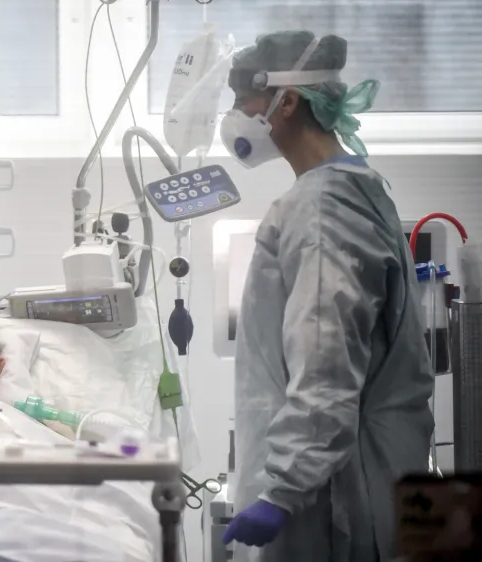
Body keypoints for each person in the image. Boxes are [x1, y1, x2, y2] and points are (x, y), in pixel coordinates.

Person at [219, 31, 434, 561]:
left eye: (241, 99)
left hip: (330, 500)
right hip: (341, 479)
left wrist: (282, 490)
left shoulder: (322, 208)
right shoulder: (353, 185)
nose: (234, 115)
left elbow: (327, 360)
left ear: (285, 101)